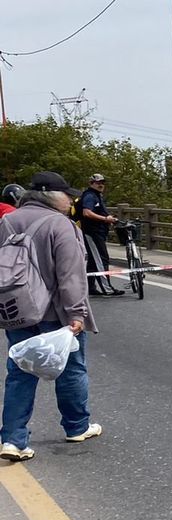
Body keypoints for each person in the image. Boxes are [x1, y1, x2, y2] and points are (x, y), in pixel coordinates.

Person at [0, 171, 101, 462]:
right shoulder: (62, 225)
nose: (71, 200)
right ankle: (77, 426)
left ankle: (13, 440)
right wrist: (77, 314)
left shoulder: (7, 221)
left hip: (16, 309)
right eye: (67, 195)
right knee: (71, 370)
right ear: (52, 196)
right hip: (54, 312)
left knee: (19, 372)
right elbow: (70, 277)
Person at [77, 173, 124, 296]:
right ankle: (107, 288)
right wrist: (105, 219)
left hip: (98, 232)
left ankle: (90, 287)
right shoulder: (90, 196)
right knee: (101, 259)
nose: (101, 185)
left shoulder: (97, 196)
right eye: (98, 183)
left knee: (93, 260)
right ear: (91, 183)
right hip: (92, 232)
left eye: (102, 183)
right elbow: (87, 212)